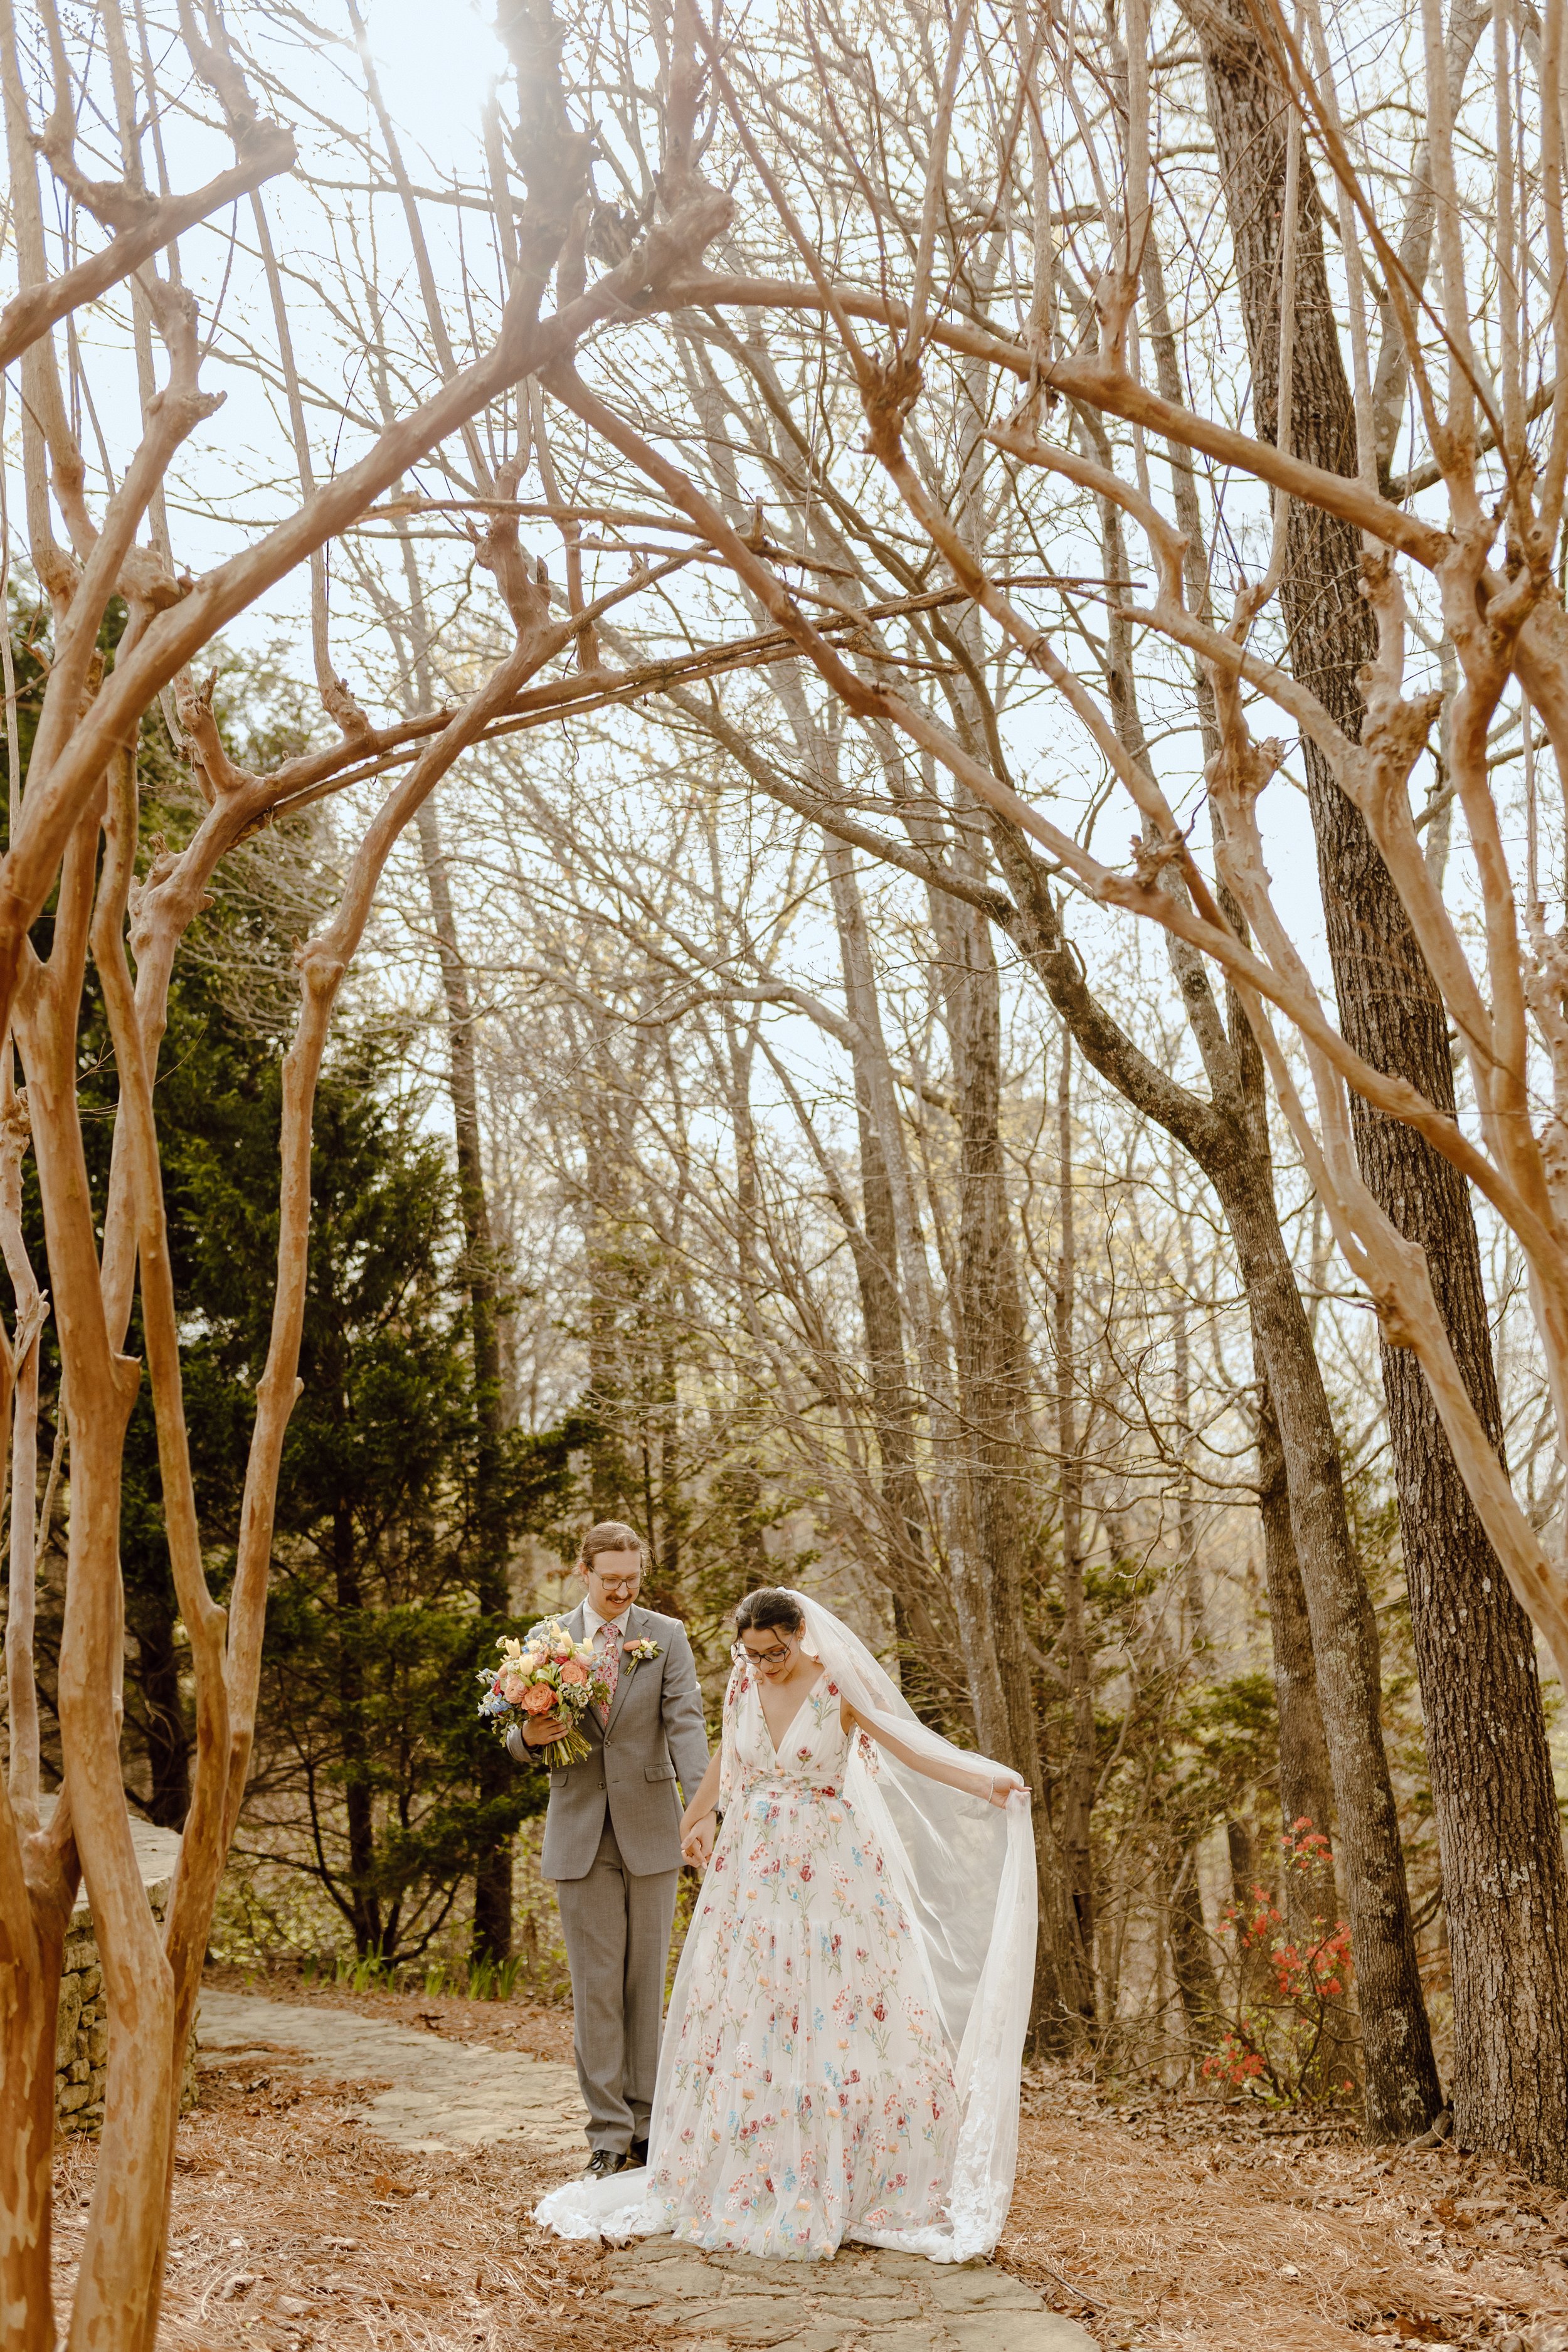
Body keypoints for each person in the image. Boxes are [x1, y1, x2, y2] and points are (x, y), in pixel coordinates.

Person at [534, 1585, 1037, 2263]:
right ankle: (752, 2159)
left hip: (828, 1869)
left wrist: (984, 1782)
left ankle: (842, 2167)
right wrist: (697, 1815)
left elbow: (907, 1747)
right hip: (751, 1869)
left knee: (830, 2006)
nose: (765, 1666)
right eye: (752, 1654)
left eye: (775, 1653)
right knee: (756, 2007)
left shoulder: (838, 1687)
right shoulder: (743, 1681)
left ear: (800, 1634)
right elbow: (729, 1757)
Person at [507, 1520, 708, 2180]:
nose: (623, 1591)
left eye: (633, 1580)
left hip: (652, 1829)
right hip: (580, 1832)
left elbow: (686, 1725)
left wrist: (703, 1812)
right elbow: (511, 1731)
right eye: (611, 1579)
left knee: (645, 1984)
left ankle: (650, 2127)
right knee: (596, 1988)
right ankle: (608, 2135)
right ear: (584, 1571)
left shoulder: (666, 1636)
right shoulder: (545, 1640)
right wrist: (529, 1738)